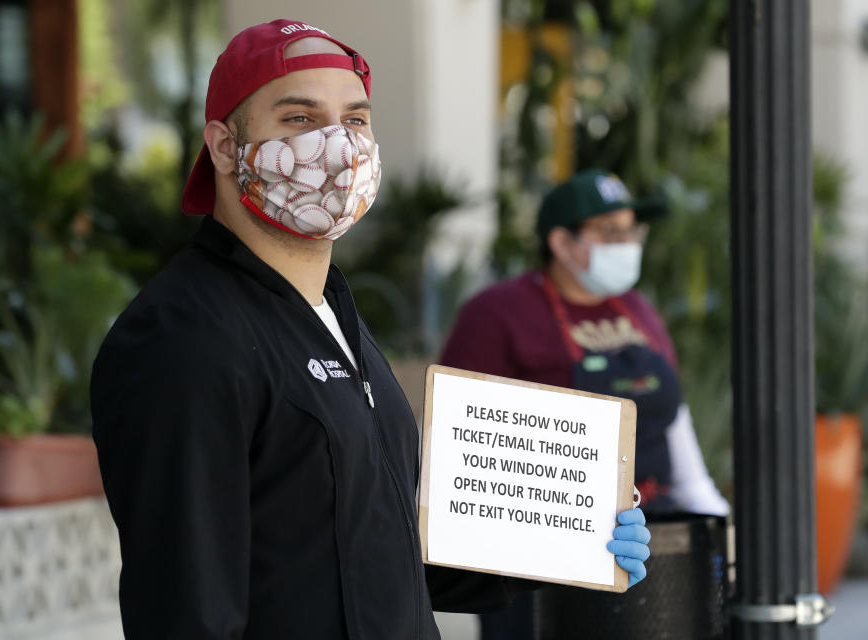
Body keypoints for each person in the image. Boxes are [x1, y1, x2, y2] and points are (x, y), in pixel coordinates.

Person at [91, 22, 651, 639]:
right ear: (224, 148)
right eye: (300, 119)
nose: (337, 144)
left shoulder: (332, 312)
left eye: (354, 120)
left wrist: (565, 537)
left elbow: (383, 553)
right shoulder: (183, 338)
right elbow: (186, 612)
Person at [439, 169, 729, 639]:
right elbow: (459, 436)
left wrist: (708, 508)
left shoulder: (638, 310)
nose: (628, 243)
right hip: (532, 555)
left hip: (641, 538)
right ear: (561, 241)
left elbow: (674, 420)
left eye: (632, 230)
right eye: (610, 232)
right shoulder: (497, 314)